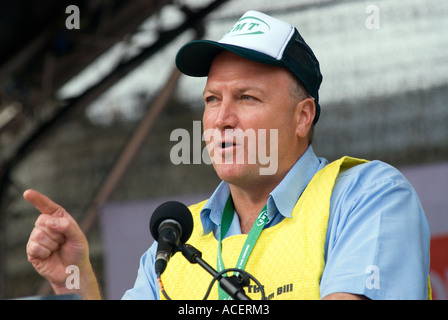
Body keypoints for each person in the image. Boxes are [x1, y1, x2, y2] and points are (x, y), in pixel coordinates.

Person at [25, 10, 431, 300]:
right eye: (212, 99)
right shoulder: (173, 240)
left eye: (247, 98)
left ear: (302, 117)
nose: (221, 118)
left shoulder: (366, 196)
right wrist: (77, 285)